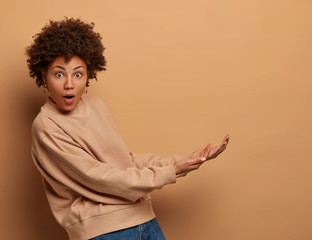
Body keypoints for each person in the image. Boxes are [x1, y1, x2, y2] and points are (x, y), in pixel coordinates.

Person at [26, 18, 230, 240]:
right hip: (105, 233)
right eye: (59, 74)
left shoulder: (96, 106)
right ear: (43, 74)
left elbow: (125, 161)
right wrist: (172, 172)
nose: (69, 84)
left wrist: (182, 161)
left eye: (78, 74)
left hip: (145, 219)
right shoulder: (47, 125)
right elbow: (101, 178)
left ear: (88, 74)